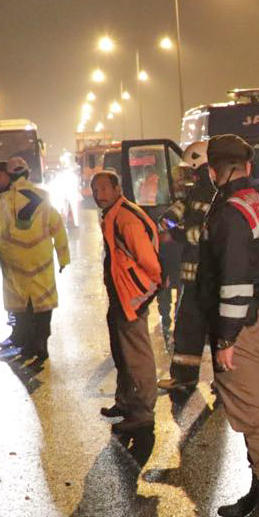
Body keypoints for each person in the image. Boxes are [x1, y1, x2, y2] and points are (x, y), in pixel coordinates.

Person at [195, 135, 259, 517]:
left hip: (242, 324)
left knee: (253, 415)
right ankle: (258, 495)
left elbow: (234, 279)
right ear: (246, 167)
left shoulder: (231, 212)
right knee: (252, 411)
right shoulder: (255, 203)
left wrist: (226, 338)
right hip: (258, 316)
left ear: (217, 170)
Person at [91, 170, 162, 438]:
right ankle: (126, 403)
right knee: (122, 352)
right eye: (95, 191)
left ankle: (142, 413)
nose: (99, 195)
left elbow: (150, 263)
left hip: (132, 296)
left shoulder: (125, 218)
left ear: (117, 188)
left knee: (136, 355)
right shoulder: (113, 214)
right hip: (121, 295)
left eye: (104, 189)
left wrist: (147, 290)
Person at [0, 157, 70, 366]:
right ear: (28, 173)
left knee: (21, 306)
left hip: (14, 261)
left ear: (10, 175)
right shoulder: (44, 196)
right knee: (42, 303)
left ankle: (26, 346)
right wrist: (63, 257)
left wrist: (1, 254)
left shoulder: (1, 201)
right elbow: (57, 227)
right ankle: (41, 343)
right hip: (40, 258)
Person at [158, 142, 216, 392]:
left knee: (190, 326)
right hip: (199, 274)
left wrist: (176, 235)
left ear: (196, 165)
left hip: (201, 274)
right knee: (197, 327)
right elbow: (182, 209)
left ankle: (184, 377)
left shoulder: (206, 192)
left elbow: (199, 233)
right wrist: (167, 219)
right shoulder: (202, 190)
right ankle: (212, 381)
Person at [155, 166, 190, 347]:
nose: (180, 185)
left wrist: (175, 233)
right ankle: (166, 325)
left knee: (181, 296)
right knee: (166, 295)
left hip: (182, 256)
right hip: (168, 257)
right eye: (177, 181)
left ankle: (176, 328)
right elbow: (163, 225)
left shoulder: (189, 202)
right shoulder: (167, 202)